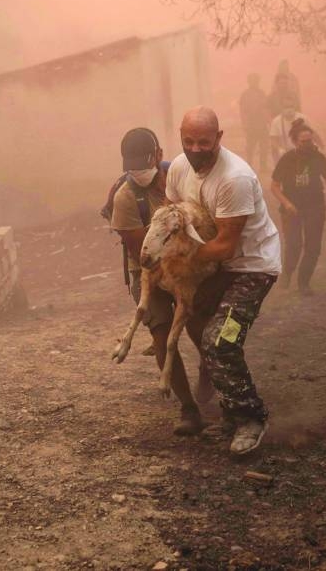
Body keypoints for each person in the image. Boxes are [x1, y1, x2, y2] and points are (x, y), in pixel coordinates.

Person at [167, 106, 281, 455]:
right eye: (189, 141)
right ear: (181, 137)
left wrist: (179, 257)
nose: (196, 149)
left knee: (220, 341)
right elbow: (174, 219)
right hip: (214, 267)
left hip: (251, 268)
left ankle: (252, 418)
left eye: (205, 142)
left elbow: (224, 245)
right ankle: (230, 414)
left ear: (219, 138)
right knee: (200, 329)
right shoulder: (177, 168)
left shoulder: (235, 178)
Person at [109, 128, 209, 436]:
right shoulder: (125, 198)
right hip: (149, 270)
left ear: (159, 156)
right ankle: (188, 408)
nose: (139, 173)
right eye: (133, 168)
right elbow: (143, 252)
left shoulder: (178, 175)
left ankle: (210, 374)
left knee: (200, 327)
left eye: (144, 165)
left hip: (185, 264)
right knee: (163, 333)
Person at [271, 119, 326, 295]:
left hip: (315, 206)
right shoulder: (287, 159)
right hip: (291, 208)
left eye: (310, 140)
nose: (308, 144)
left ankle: (303, 283)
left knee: (313, 247)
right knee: (294, 245)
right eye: (303, 142)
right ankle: (287, 273)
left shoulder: (318, 157)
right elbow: (274, 186)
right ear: (295, 142)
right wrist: (286, 203)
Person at [239, 73, 271, 172]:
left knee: (264, 147)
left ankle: (263, 167)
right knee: (250, 148)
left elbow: (266, 108)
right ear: (249, 82)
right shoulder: (245, 94)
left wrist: (267, 121)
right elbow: (242, 111)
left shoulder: (262, 93)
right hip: (251, 125)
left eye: (256, 80)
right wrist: (245, 124)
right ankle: (248, 166)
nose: (254, 83)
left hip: (262, 124)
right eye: (252, 81)